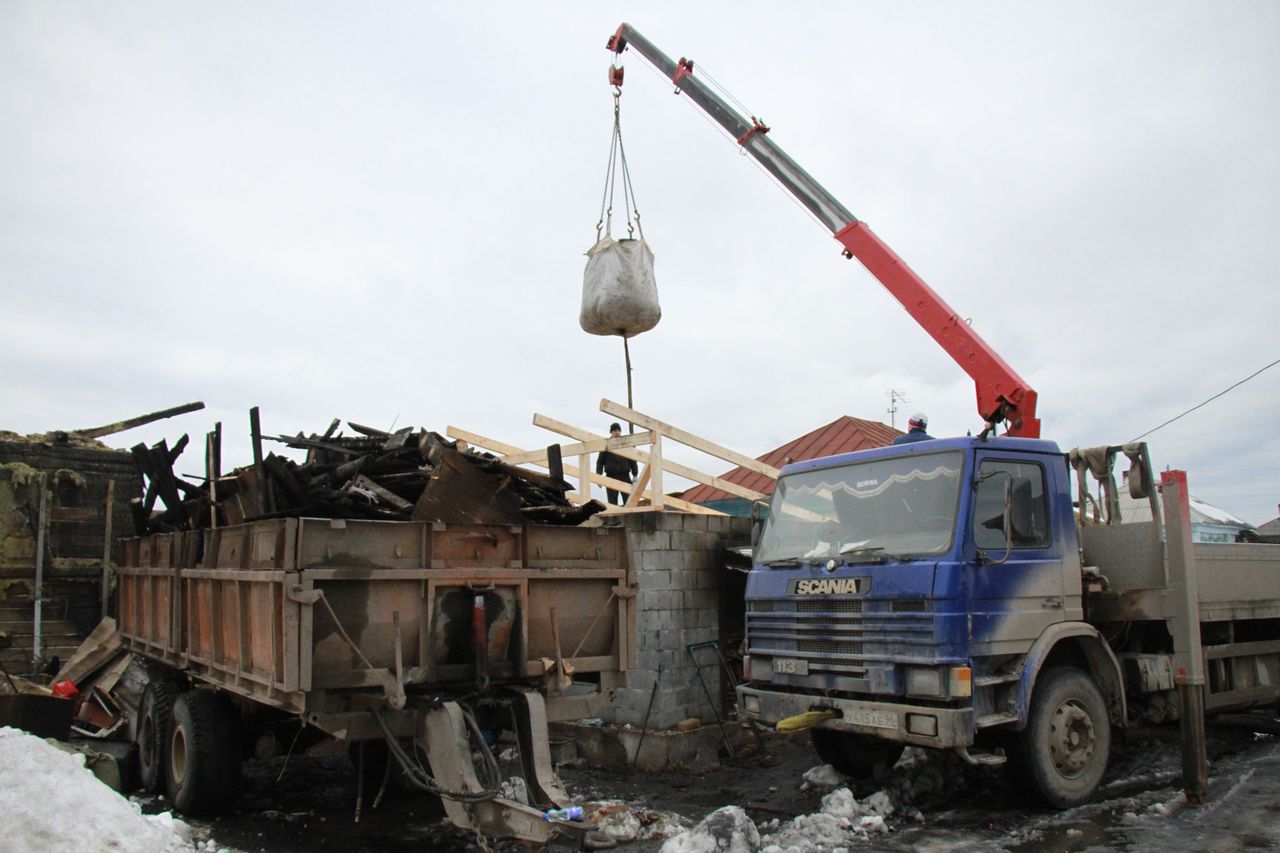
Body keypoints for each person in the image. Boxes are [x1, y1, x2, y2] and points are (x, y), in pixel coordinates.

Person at [596, 422, 638, 505]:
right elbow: (600, 462)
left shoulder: (625, 444)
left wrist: (635, 474)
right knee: (612, 502)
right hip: (611, 476)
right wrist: (599, 477)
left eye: (619, 430)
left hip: (624, 475)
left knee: (628, 501)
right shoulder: (606, 445)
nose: (617, 432)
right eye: (615, 430)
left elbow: (632, 460)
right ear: (611, 432)